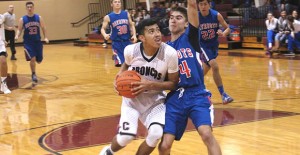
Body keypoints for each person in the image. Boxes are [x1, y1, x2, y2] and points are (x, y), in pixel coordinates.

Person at [99, 18, 179, 155]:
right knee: (126, 137)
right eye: (151, 31)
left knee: (156, 134)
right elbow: (126, 64)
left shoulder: (169, 53)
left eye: (158, 30)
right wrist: (119, 77)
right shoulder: (131, 50)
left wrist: (150, 84)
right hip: (132, 101)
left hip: (155, 101)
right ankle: (109, 151)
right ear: (142, 37)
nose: (157, 34)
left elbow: (174, 84)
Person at [158, 0, 222, 154]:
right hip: (175, 97)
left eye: (178, 17)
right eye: (171, 17)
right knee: (165, 145)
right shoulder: (163, 49)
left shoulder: (190, 37)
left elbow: (192, 6)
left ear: (187, 23)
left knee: (206, 134)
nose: (173, 20)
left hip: (196, 94)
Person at [198, 0, 233, 104]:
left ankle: (190, 89)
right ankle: (223, 94)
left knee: (203, 71)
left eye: (205, 4)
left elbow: (228, 28)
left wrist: (223, 33)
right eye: (201, 4)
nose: (203, 6)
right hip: (202, 45)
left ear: (209, 5)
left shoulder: (216, 15)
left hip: (213, 45)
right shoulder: (196, 17)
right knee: (215, 65)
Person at [15, 1, 49, 83]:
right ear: (26, 8)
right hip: (28, 43)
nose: (29, 8)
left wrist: (46, 37)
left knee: (39, 60)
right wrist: (17, 35)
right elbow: (19, 30)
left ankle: (38, 59)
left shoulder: (39, 17)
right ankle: (33, 74)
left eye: (31, 7)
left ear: (33, 8)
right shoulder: (22, 19)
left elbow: (43, 28)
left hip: (37, 42)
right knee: (32, 59)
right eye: (28, 7)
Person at [101, 0, 137, 67]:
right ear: (111, 4)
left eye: (119, 2)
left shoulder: (126, 14)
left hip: (127, 42)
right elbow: (102, 29)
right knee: (121, 64)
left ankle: (130, 76)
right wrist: (105, 34)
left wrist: (134, 35)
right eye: (115, 2)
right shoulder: (108, 17)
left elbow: (132, 25)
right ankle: (121, 75)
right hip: (117, 43)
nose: (117, 3)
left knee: (132, 64)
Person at [0, 14, 11, 94]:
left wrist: (3, 40)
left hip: (0, 43)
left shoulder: (1, 16)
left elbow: (2, 28)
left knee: (3, 61)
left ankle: (4, 84)